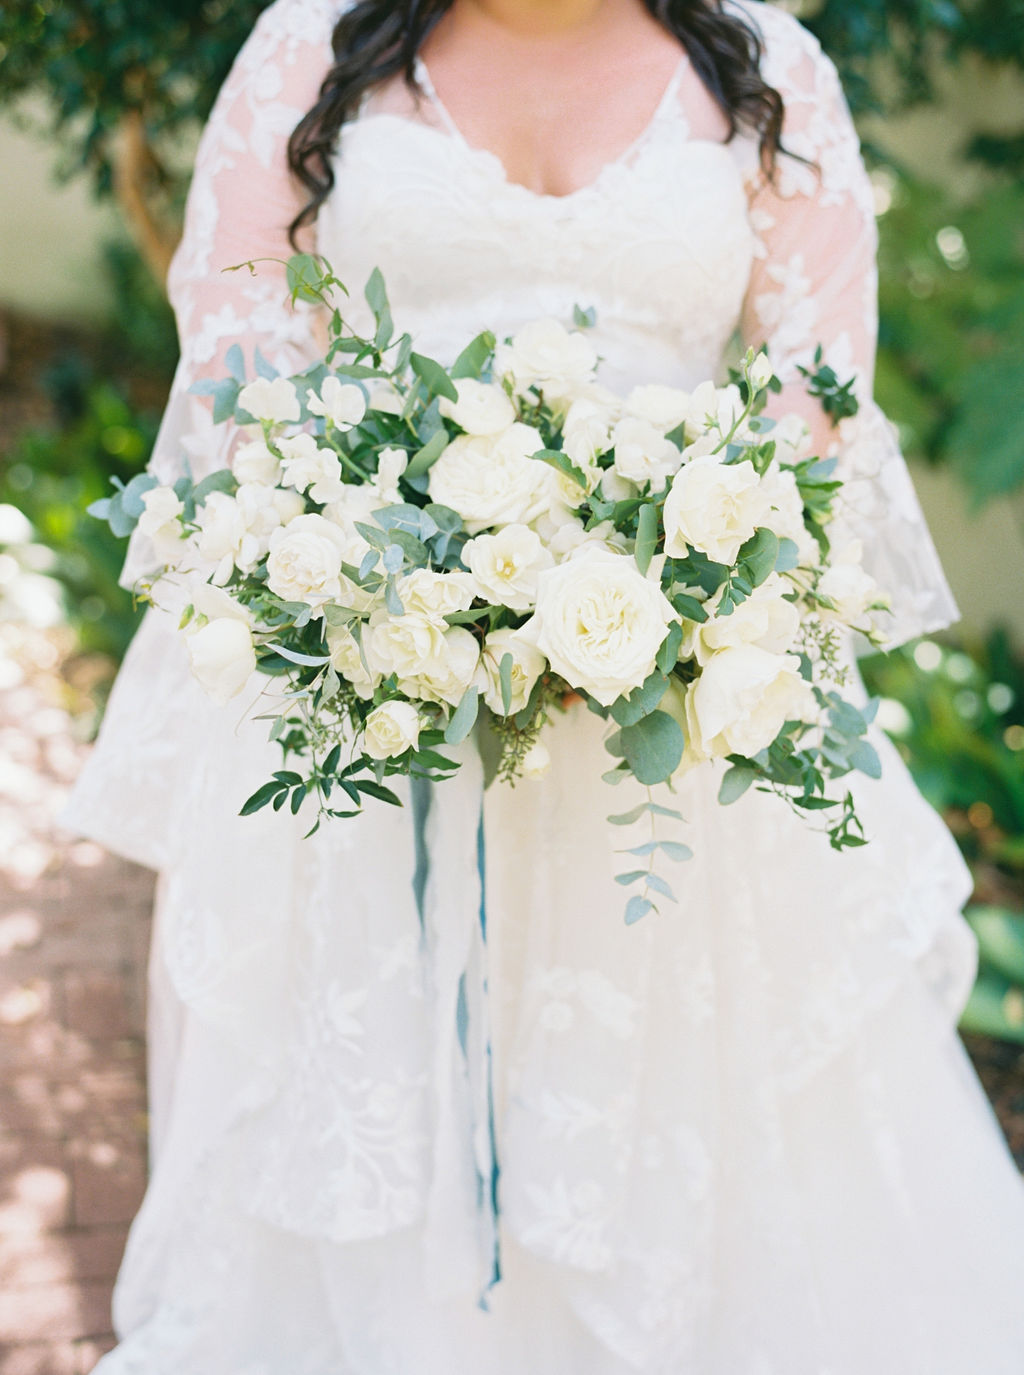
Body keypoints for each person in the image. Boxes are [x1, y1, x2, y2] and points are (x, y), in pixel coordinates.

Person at [64, 0, 1024, 1370]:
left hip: (671, 726)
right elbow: (239, 354)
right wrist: (385, 583)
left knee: (688, 1148)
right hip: (373, 694)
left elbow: (814, 394)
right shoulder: (309, 47)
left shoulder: (765, 73)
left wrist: (679, 591)